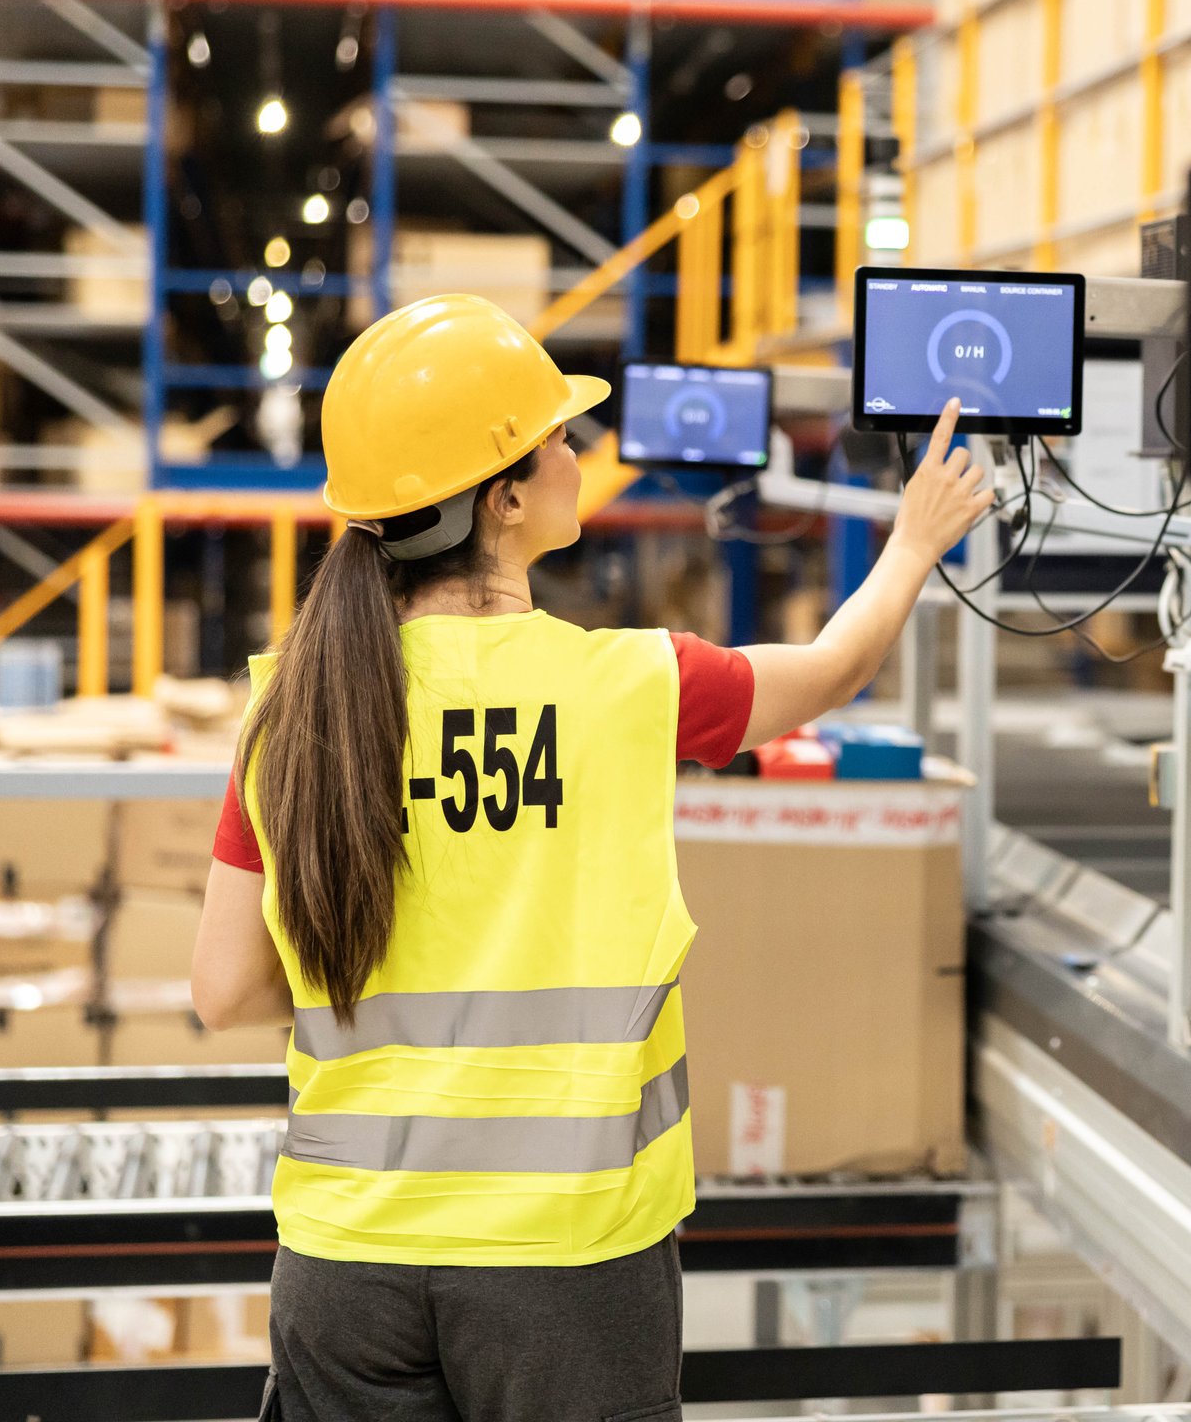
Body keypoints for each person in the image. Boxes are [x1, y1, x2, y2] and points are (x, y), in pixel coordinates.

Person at [189, 293, 991, 1421]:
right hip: (567, 1262)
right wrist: (912, 542)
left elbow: (223, 988)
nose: (578, 450)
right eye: (556, 436)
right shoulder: (629, 683)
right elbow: (829, 669)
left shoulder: (290, 704)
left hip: (345, 1263)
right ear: (503, 498)